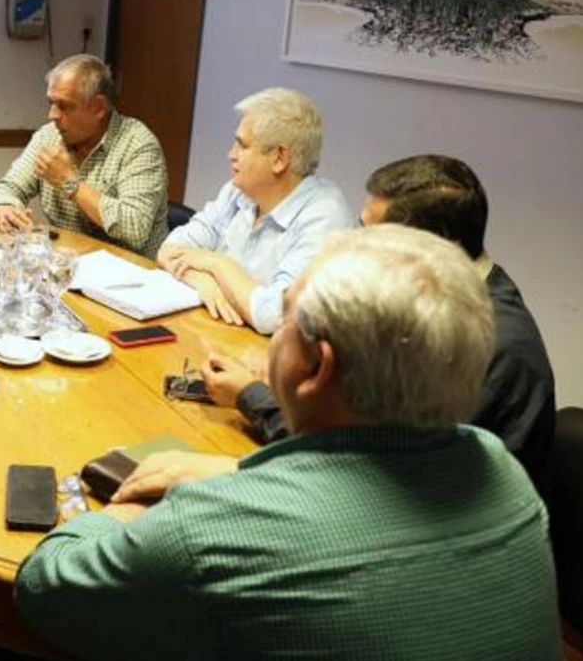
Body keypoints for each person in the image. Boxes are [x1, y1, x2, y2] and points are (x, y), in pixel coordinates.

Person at [15, 225, 560, 661]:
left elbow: (46, 587)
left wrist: (127, 509)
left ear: (316, 368)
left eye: (286, 320)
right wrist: (233, 474)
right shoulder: (499, 465)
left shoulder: (211, 528)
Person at [205, 154, 557, 493]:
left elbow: (378, 475)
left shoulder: (489, 347)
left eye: (371, 237)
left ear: (429, 249)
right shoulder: (426, 303)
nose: (354, 246)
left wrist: (253, 398)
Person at [156, 88, 351, 333]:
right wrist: (201, 280)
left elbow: (275, 316)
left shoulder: (325, 217)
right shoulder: (239, 190)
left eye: (242, 145)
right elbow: (170, 248)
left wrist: (217, 265)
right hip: (218, 334)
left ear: (279, 158)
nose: (231, 154)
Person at [0, 54, 168, 258]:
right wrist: (3, 208)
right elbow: (6, 189)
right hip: (70, 267)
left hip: (133, 275)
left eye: (64, 106)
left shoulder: (137, 144)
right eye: (51, 103)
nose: (52, 115)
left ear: (98, 108)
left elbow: (134, 228)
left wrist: (69, 182)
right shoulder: (49, 136)